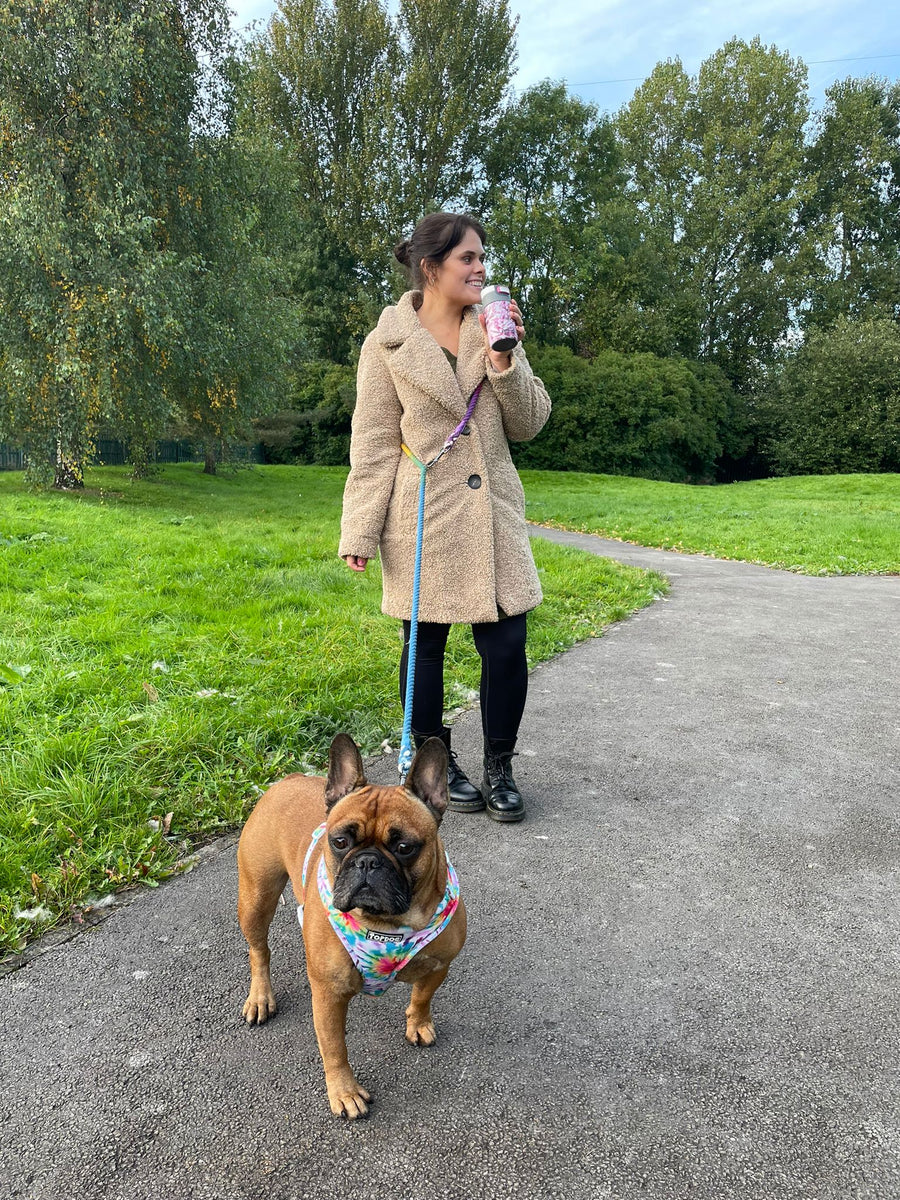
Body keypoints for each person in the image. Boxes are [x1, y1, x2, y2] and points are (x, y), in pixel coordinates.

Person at [339, 212, 551, 822]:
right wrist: (359, 528)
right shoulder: (386, 344)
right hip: (423, 513)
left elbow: (531, 423)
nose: (482, 268)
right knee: (423, 645)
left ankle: (500, 765)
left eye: (483, 257)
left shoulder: (494, 326)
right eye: (468, 258)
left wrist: (506, 363)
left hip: (493, 513)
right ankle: (436, 766)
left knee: (508, 643)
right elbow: (373, 441)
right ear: (431, 268)